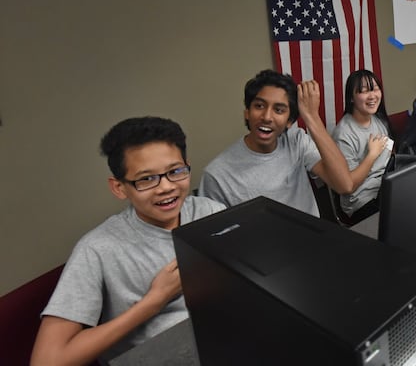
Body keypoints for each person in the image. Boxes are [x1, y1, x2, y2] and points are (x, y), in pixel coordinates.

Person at [31, 117, 226, 365]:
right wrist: (153, 302)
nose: (166, 187)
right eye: (146, 179)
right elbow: (47, 360)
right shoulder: (97, 249)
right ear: (119, 188)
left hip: (222, 344)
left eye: (175, 171)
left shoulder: (211, 213)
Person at [199, 70, 353, 216]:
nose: (266, 117)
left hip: (310, 238)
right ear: (247, 113)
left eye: (278, 110)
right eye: (259, 106)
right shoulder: (216, 174)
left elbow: (344, 185)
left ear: (289, 122)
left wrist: (312, 117)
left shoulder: (297, 141)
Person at [331, 69, 391, 223]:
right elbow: (349, 185)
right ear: (351, 98)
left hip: (386, 188)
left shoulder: (378, 119)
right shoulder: (343, 134)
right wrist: (372, 155)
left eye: (375, 89)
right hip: (361, 200)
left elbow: (390, 154)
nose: (372, 96)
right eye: (364, 91)